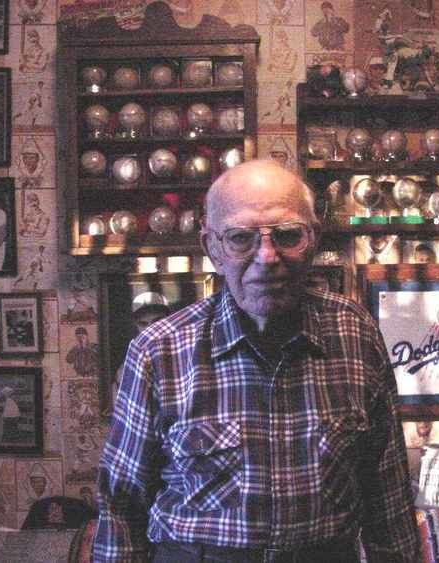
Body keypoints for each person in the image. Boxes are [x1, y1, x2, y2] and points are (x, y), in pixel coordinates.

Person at [94, 159, 419, 561]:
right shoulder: (157, 351)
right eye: (240, 238)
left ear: (314, 238)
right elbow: (120, 507)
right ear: (212, 247)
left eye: (287, 235)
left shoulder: (355, 332)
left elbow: (388, 495)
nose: (267, 256)